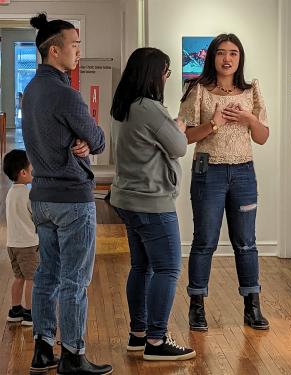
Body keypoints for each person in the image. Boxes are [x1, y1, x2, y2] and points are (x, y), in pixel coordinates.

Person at [23, 13, 112, 375]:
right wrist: (85, 141)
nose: (78, 51)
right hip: (71, 200)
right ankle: (73, 355)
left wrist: (75, 142)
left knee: (47, 274)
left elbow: (56, 136)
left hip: (41, 196)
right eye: (74, 45)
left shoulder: (30, 90)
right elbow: (100, 140)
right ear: (55, 50)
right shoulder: (65, 93)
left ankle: (43, 349)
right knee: (75, 279)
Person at [178, 33, 270, 331]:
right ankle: (197, 305)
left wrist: (248, 118)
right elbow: (185, 138)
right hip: (209, 172)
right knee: (205, 240)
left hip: (244, 172)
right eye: (221, 53)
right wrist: (214, 123)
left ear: (240, 58)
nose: (227, 59)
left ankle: (252, 305)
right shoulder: (198, 90)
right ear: (212, 57)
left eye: (233, 53)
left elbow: (263, 137)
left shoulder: (251, 90)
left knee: (246, 242)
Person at [110, 47, 195, 361]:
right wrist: (179, 130)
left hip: (128, 198)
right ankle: (157, 341)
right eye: (166, 71)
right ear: (154, 74)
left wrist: (170, 130)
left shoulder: (124, 106)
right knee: (168, 268)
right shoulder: (149, 107)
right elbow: (179, 147)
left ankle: (139, 334)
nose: (166, 77)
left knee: (142, 266)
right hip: (151, 201)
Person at [3, 149, 38, 327]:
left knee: (19, 277)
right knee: (32, 278)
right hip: (28, 245)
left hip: (12, 244)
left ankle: (15, 310)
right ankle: (30, 313)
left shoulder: (10, 193)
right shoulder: (27, 194)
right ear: (23, 173)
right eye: (31, 167)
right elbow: (36, 215)